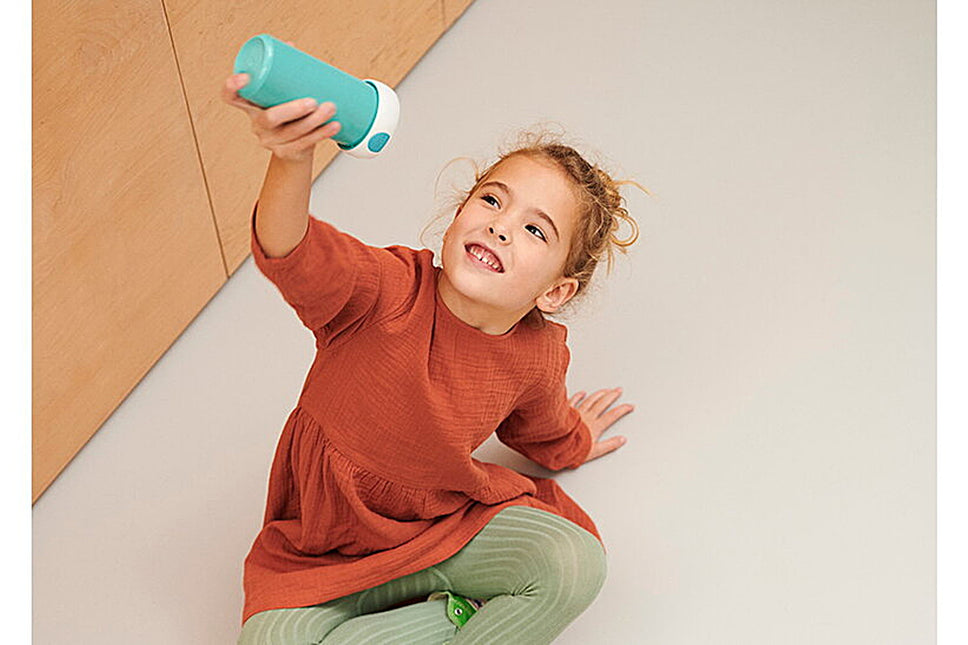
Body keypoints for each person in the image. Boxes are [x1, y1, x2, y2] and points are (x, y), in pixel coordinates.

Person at [222, 67, 646, 644]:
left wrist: (577, 442)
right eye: (493, 200)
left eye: (534, 231)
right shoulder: (386, 289)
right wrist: (293, 160)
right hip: (321, 552)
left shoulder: (537, 354)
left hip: (439, 529)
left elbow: (540, 428)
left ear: (554, 292)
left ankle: (454, 612)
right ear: (457, 216)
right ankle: (450, 616)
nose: (500, 226)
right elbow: (291, 248)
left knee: (575, 564)